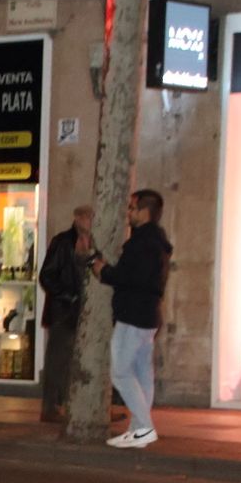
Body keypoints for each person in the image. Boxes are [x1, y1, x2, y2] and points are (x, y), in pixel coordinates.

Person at [92, 189, 172, 449]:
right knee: (141, 373)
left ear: (144, 211)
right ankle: (138, 431)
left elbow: (130, 277)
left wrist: (103, 270)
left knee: (121, 373)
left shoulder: (143, 243)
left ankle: (144, 428)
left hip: (133, 314)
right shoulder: (156, 242)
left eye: (132, 209)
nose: (128, 213)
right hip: (147, 315)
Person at [38, 205, 94, 422]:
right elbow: (47, 275)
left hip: (82, 311)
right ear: (78, 218)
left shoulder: (93, 241)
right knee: (58, 360)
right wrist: (67, 295)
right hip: (63, 312)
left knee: (77, 362)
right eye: (88, 217)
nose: (91, 221)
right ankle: (51, 407)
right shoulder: (63, 242)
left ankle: (74, 406)